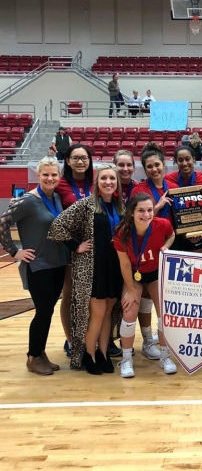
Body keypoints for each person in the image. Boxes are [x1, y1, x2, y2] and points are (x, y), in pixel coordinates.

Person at [48, 164, 125, 373]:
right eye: (104, 178)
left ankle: (103, 353)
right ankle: (88, 355)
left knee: (108, 311)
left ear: (117, 183)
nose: (108, 182)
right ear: (97, 183)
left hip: (114, 266)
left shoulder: (121, 207)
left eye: (112, 178)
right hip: (93, 268)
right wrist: (76, 246)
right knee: (97, 313)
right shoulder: (86, 205)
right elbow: (57, 226)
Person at [0, 156, 70, 375]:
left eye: (54, 174)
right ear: (38, 175)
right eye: (45, 174)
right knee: (43, 311)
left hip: (57, 262)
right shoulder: (28, 200)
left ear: (59, 176)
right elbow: (3, 222)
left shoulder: (56, 198)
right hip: (38, 264)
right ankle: (33, 356)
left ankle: (40, 353)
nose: (50, 178)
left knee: (47, 311)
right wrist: (15, 251)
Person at [114, 193, 176, 377]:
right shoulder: (122, 232)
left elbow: (172, 235)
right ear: (132, 212)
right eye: (141, 210)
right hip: (135, 275)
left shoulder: (162, 224)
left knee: (165, 313)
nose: (147, 214)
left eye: (150, 210)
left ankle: (165, 356)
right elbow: (124, 264)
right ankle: (126, 359)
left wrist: (166, 245)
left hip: (156, 273)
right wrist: (130, 290)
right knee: (129, 312)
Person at [55, 144, 95, 358]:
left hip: (93, 247)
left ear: (89, 161)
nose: (80, 162)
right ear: (68, 161)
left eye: (84, 158)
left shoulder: (95, 182)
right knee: (70, 295)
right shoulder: (59, 184)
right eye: (75, 158)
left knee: (91, 296)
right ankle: (71, 340)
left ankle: (90, 338)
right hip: (70, 248)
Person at [164, 146, 202, 253]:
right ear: (176, 162)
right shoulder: (168, 180)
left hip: (196, 234)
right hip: (174, 234)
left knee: (196, 263)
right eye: (180, 160)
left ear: (194, 159)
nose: (184, 163)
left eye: (187, 159)